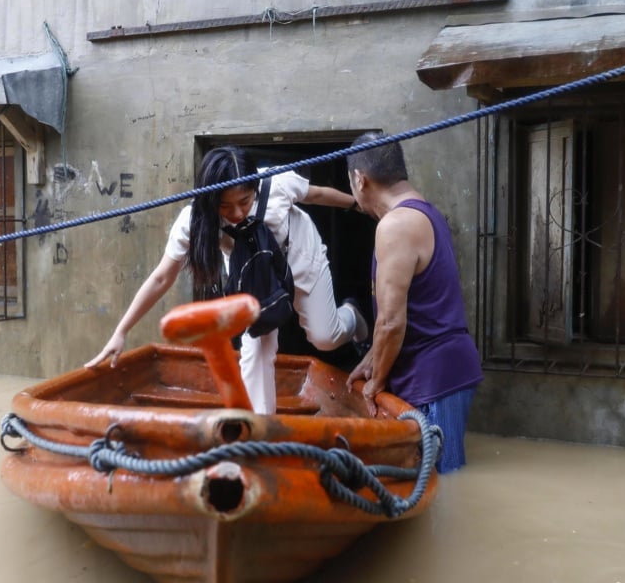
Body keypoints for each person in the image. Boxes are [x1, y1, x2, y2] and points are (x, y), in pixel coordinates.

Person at [86, 145, 368, 415]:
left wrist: (358, 205)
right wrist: (121, 330)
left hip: (300, 260)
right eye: (224, 206)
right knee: (256, 348)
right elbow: (162, 277)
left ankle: (352, 316)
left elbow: (316, 194)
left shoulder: (277, 183)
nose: (236, 213)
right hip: (254, 277)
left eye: (244, 202)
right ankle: (259, 432)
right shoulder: (194, 221)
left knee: (325, 338)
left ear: (254, 189)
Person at [344, 133, 482, 473]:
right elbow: (417, 306)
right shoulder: (423, 211)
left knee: (441, 489)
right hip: (444, 372)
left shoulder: (396, 225)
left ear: (360, 180)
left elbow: (391, 322)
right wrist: (371, 359)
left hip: (433, 378)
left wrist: (375, 383)